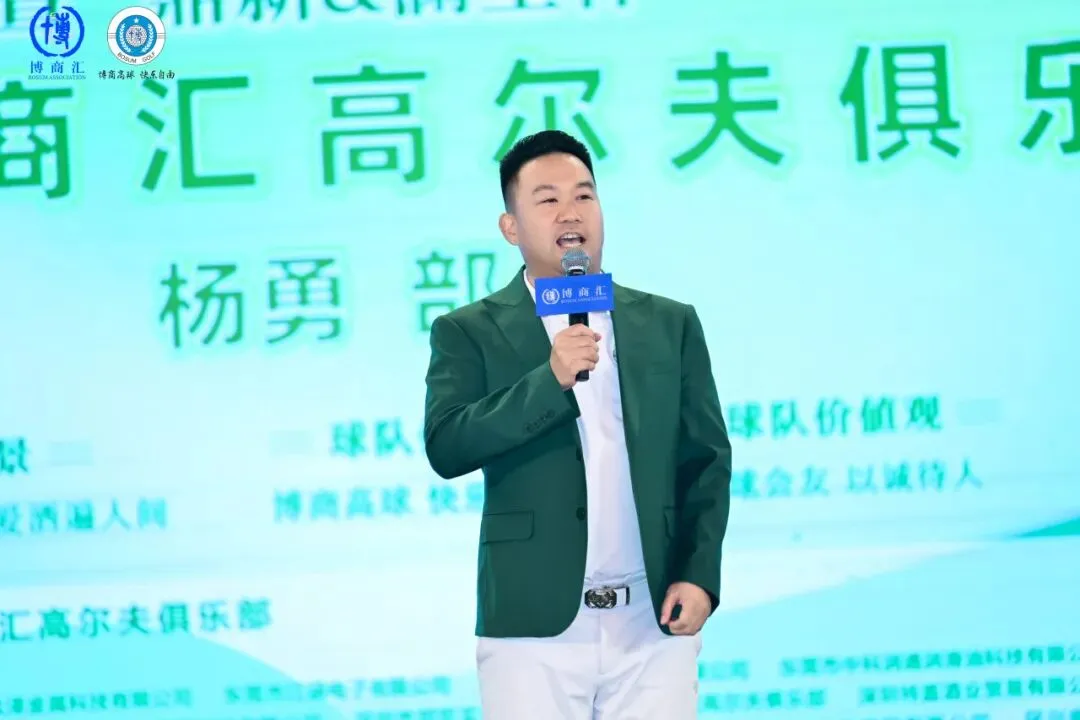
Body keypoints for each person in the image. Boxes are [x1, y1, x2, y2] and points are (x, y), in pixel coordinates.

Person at [422, 129, 732, 719]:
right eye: (548, 200)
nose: (571, 213)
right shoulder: (469, 331)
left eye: (584, 196)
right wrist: (549, 380)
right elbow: (447, 444)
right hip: (533, 630)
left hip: (652, 622)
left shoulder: (669, 324)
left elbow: (707, 459)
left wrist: (699, 576)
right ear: (511, 227)